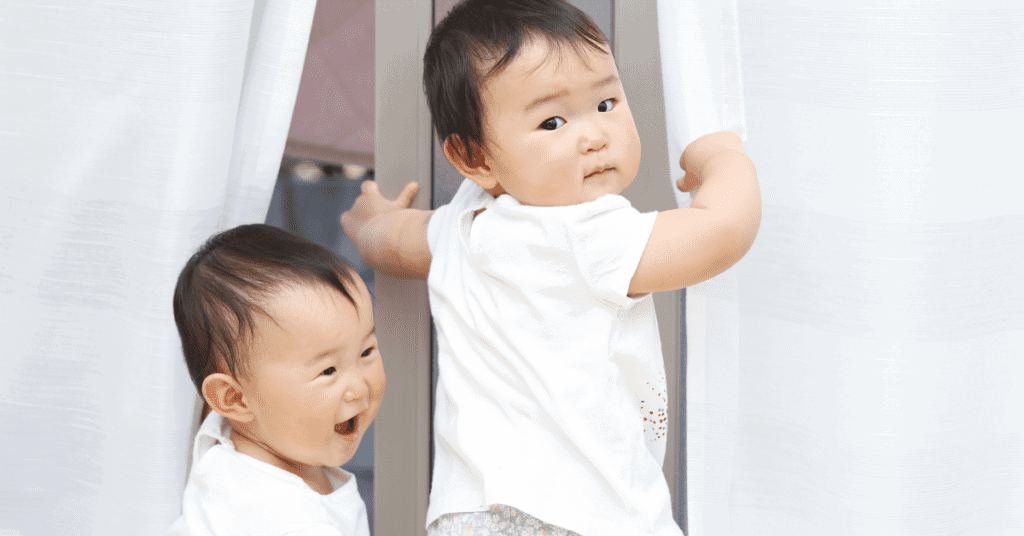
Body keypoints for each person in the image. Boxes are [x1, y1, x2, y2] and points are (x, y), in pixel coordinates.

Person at [342, 0, 761, 534]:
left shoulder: (462, 226)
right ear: (476, 158)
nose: (594, 135)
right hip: (583, 517)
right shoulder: (590, 234)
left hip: (467, 513)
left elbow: (393, 244)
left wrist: (368, 220)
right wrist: (723, 154)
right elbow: (722, 232)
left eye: (607, 103)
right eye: (554, 121)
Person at [168, 224, 384, 536]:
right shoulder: (289, 521)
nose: (359, 388)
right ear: (235, 399)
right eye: (328, 371)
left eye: (366, 352)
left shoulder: (229, 436)